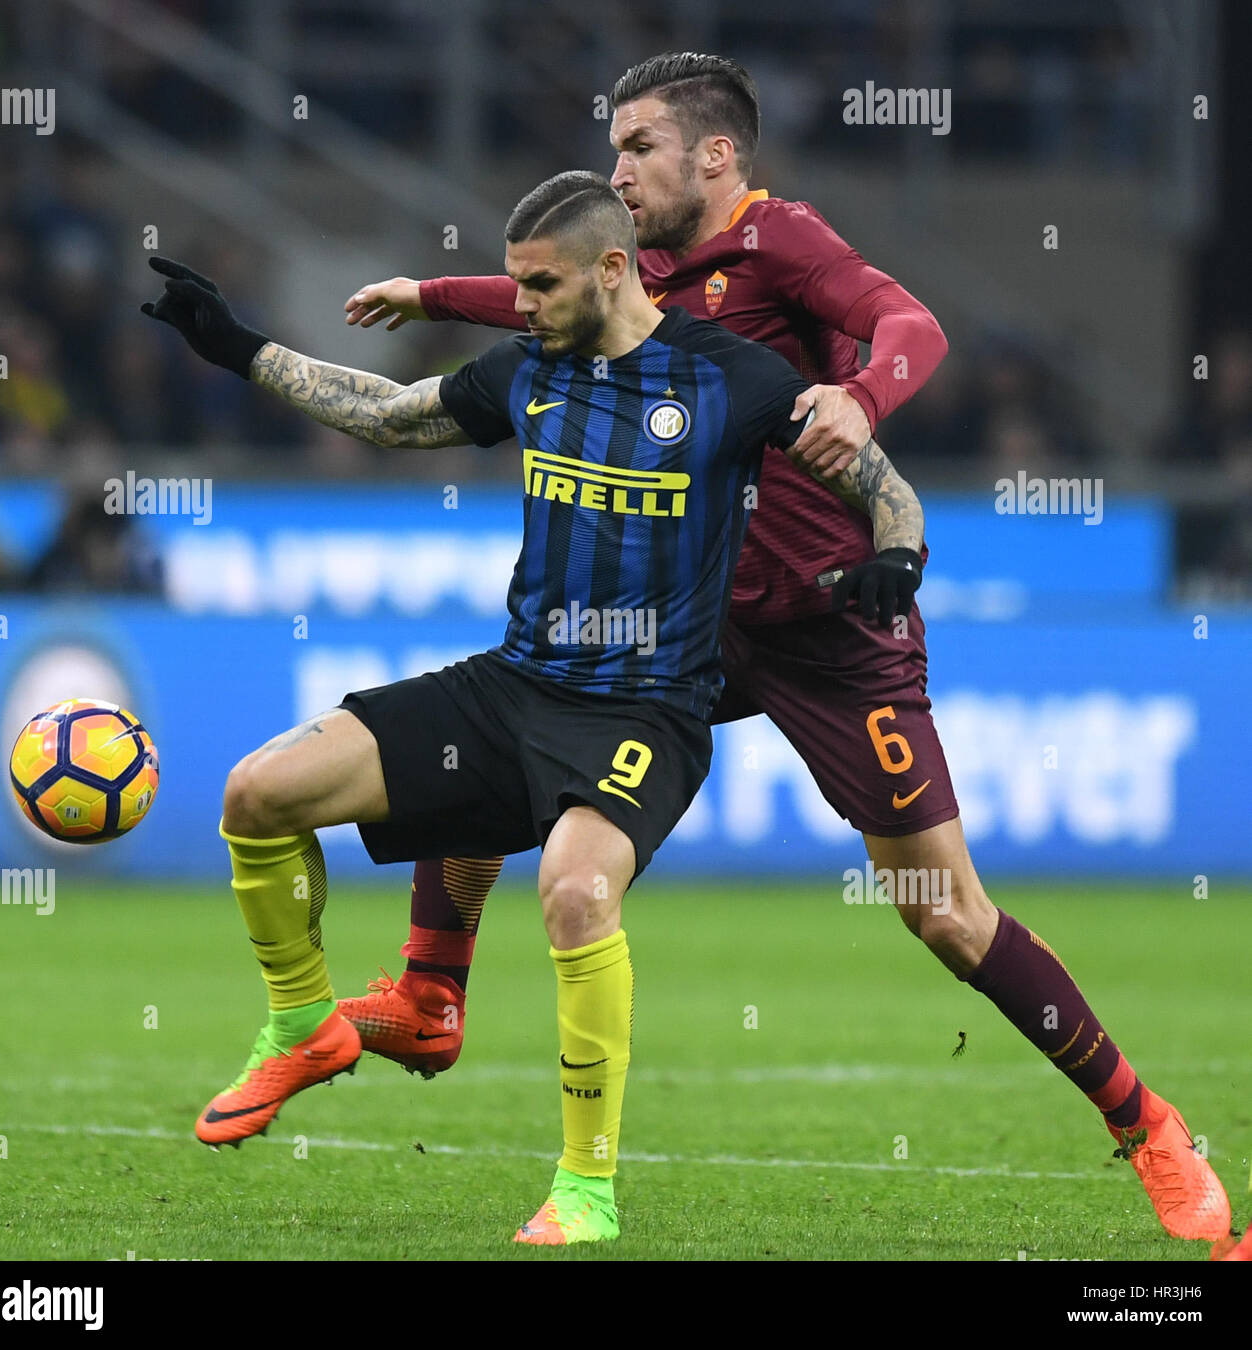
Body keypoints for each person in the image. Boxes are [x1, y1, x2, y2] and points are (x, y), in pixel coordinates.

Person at [339, 51, 1231, 1244]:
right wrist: (437, 294)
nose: (617, 170)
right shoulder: (634, 267)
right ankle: (431, 993)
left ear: (715, 155)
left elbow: (911, 325)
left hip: (828, 629)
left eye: (638, 147)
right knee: (512, 725)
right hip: (692, 622)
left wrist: (860, 395)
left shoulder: (783, 245)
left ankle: (1146, 1125)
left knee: (942, 912)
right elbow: (538, 300)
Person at [140, 169, 924, 1245]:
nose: (524, 305)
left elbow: (878, 478)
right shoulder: (528, 367)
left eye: (541, 286)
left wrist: (898, 552)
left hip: (647, 714)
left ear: (612, 270)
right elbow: (388, 414)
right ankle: (302, 1025)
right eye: (514, 286)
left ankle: (585, 1190)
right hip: (514, 687)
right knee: (258, 791)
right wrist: (242, 350)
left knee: (572, 892)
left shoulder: (730, 378)